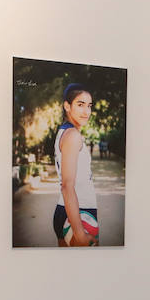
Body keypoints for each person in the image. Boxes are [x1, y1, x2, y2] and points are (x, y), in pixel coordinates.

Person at [53, 83, 98, 247]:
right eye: (80, 105)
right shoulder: (72, 135)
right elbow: (67, 186)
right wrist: (79, 233)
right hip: (78, 214)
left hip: (68, 210)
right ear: (67, 106)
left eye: (89, 106)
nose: (86, 111)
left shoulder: (65, 132)